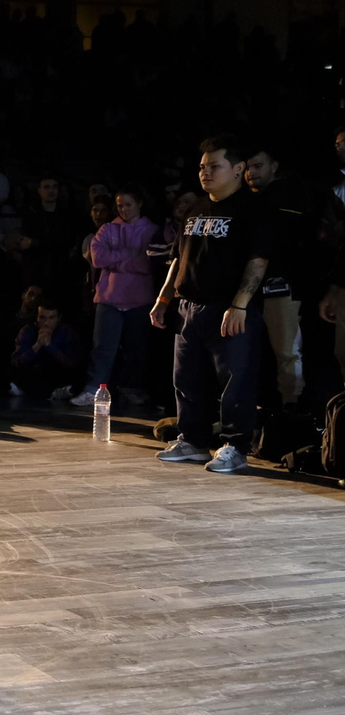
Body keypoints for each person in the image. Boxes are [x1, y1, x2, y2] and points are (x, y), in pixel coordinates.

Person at [151, 136, 275, 474]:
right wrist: (164, 298)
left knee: (236, 380)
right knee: (187, 378)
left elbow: (258, 259)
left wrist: (240, 305)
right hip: (188, 306)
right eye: (202, 167)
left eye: (214, 166)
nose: (205, 172)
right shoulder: (195, 208)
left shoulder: (253, 208)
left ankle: (236, 446)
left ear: (237, 170)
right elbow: (178, 258)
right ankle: (191, 439)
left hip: (228, 307)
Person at [73, 187, 156, 407]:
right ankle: (93, 389)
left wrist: (116, 259)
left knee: (135, 349)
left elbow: (147, 262)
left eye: (128, 204)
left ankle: (131, 389)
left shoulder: (151, 230)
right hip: (109, 297)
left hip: (138, 298)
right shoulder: (108, 229)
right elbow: (98, 258)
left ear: (139, 204)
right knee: (102, 347)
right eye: (120, 205)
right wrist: (129, 255)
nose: (124, 209)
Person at [244, 143, 312, 408]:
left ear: (274, 167)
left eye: (258, 165)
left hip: (282, 287)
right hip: (251, 291)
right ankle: (260, 410)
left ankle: (291, 410)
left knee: (287, 351)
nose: (251, 172)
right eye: (248, 167)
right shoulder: (249, 201)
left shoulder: (288, 197)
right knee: (254, 353)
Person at [8, 300, 84, 400]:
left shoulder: (67, 332)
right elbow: (17, 361)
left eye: (51, 318)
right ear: (37, 318)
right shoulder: (27, 331)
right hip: (33, 373)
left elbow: (72, 363)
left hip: (59, 375)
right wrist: (37, 345)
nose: (46, 323)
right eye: (42, 318)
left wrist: (50, 346)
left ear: (58, 318)